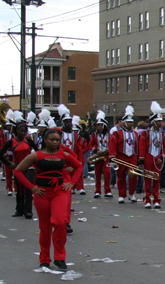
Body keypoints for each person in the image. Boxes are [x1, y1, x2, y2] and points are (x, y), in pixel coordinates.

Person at [14, 128, 82, 270]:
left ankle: (60, 257)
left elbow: (79, 166)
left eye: (57, 140)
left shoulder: (63, 154)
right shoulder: (36, 155)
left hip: (59, 192)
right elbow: (18, 171)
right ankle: (44, 258)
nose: (55, 142)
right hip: (42, 194)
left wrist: (72, 183)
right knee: (44, 227)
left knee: (60, 222)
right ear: (45, 140)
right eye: (52, 139)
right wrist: (32, 187)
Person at [0, 111, 37, 218]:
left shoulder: (29, 141)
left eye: (24, 131)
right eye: (21, 131)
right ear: (16, 131)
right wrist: (9, 163)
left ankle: (28, 211)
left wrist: (35, 161)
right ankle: (19, 210)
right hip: (18, 168)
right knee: (19, 189)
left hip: (29, 168)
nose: (23, 133)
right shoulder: (11, 142)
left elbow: (38, 152)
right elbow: (1, 154)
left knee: (28, 188)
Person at [108, 106, 139, 204]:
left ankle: (131, 194)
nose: (130, 124)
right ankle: (121, 195)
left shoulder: (136, 134)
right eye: (128, 122)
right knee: (121, 176)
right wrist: (112, 158)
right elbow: (112, 146)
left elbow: (137, 147)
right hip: (121, 156)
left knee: (133, 175)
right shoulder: (117, 133)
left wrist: (139, 159)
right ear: (124, 123)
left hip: (132, 156)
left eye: (131, 122)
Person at [138, 103, 165, 209]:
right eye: (158, 121)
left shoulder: (162, 134)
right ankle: (147, 199)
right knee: (147, 179)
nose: (160, 123)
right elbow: (142, 147)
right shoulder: (146, 133)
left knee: (157, 180)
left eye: (161, 121)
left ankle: (156, 199)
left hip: (157, 157)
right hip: (148, 157)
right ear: (153, 122)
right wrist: (141, 160)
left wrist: (162, 157)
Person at [88, 111, 113, 198]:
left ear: (104, 125)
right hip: (98, 156)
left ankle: (107, 191)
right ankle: (97, 191)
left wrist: (107, 150)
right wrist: (96, 150)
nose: (98, 126)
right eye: (97, 125)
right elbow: (90, 145)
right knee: (97, 174)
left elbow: (112, 145)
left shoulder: (109, 135)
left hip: (106, 155)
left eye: (99, 125)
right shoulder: (94, 134)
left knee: (107, 173)